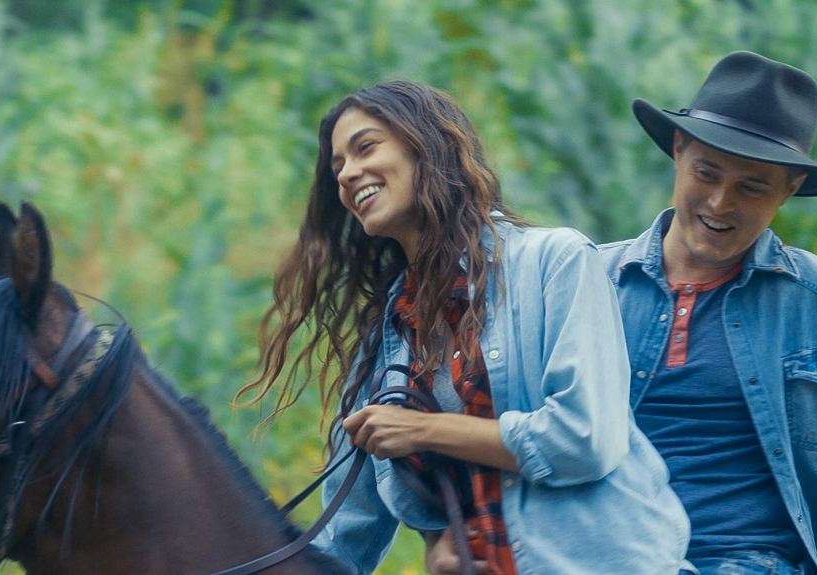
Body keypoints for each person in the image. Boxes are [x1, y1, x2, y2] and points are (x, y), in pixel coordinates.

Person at [237, 80, 691, 574]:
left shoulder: (554, 261)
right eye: (337, 166)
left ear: (425, 145)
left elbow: (584, 441)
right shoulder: (386, 343)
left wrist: (426, 430)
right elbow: (344, 537)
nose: (347, 173)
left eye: (364, 147)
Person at [599, 51, 817, 574]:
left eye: (751, 186)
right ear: (678, 148)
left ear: (790, 189)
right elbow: (499, 422)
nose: (718, 202)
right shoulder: (585, 287)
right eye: (706, 173)